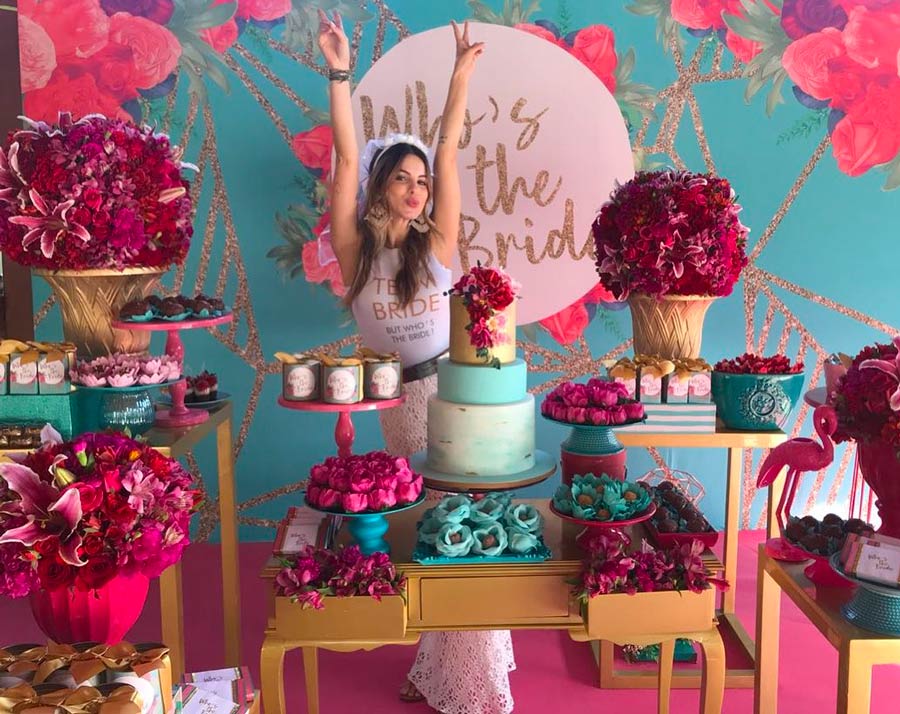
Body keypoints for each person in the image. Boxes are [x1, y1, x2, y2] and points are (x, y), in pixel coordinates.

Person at [317, 11, 517, 714]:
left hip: (455, 398)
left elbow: (449, 150)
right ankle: (439, 664)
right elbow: (346, 160)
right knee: (430, 533)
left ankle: (475, 681)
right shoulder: (355, 251)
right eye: (401, 178)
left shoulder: (436, 248)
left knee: (461, 525)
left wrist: (460, 75)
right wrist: (339, 73)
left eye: (421, 182)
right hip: (396, 408)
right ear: (379, 186)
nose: (416, 188)